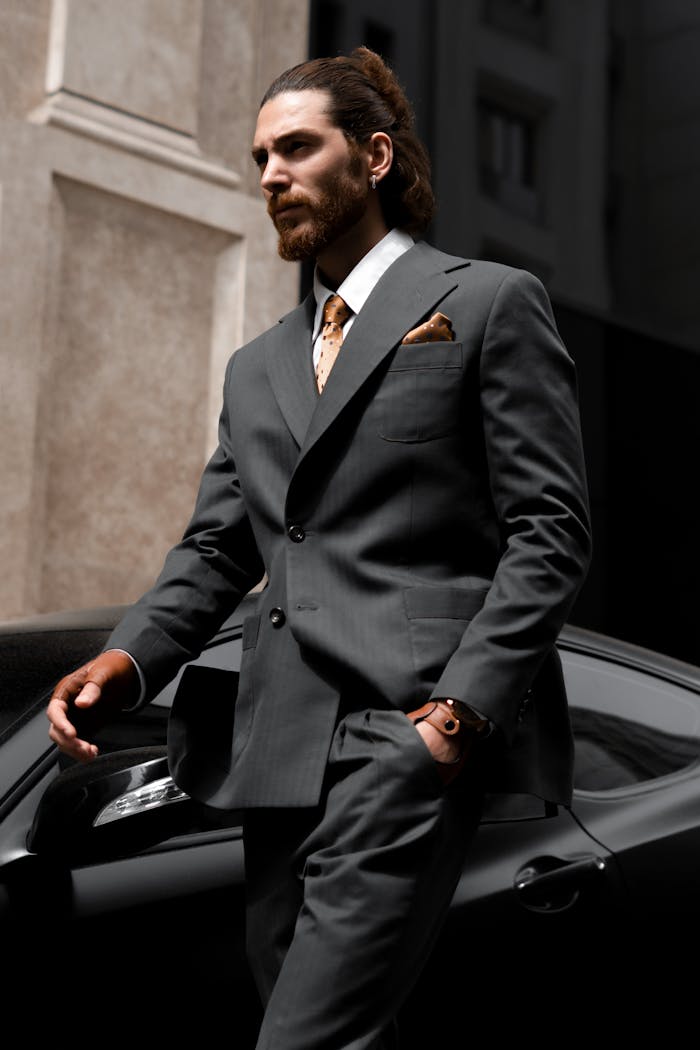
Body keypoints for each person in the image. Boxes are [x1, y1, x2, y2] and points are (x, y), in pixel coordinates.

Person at [46, 47, 592, 1049]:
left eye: (296, 148)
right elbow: (217, 549)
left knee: (304, 1038)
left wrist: (453, 722)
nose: (269, 175)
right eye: (259, 157)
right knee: (313, 1021)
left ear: (374, 156)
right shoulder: (258, 369)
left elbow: (549, 534)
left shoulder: (484, 304)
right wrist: (125, 661)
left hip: (407, 729)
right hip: (278, 746)